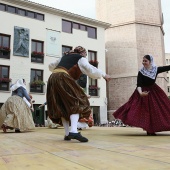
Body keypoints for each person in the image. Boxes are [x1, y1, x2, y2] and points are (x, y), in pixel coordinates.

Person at [47, 46, 111, 142]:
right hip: (63, 78)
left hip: (52, 78)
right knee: (77, 102)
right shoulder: (80, 58)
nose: (85, 56)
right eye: (85, 54)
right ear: (82, 53)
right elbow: (90, 69)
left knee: (62, 106)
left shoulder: (64, 57)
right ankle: (74, 131)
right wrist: (104, 75)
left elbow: (51, 65)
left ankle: (68, 134)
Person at [113, 54, 170, 135]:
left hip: (154, 92)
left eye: (145, 61)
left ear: (150, 62)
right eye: (143, 61)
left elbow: (167, 67)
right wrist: (140, 93)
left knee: (159, 110)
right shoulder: (141, 72)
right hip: (143, 92)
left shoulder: (155, 69)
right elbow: (139, 84)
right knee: (143, 111)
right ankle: (149, 130)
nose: (143, 62)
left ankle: (152, 130)